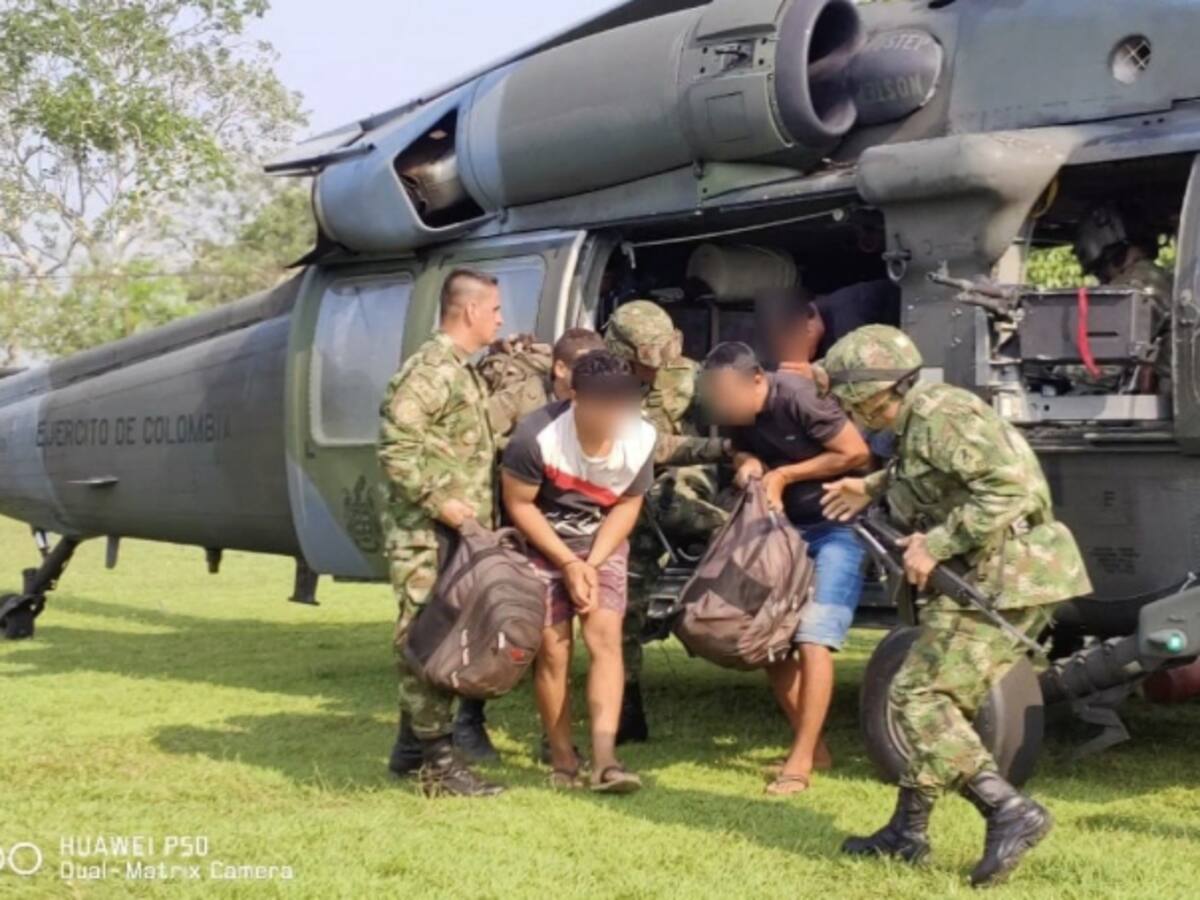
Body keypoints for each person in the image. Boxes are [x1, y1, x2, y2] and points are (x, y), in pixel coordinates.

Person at [818, 325, 1092, 886]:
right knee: (942, 702)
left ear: (868, 391)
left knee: (919, 696)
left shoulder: (942, 413)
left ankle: (1006, 810)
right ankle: (907, 830)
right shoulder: (923, 419)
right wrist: (869, 489)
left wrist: (934, 544)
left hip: (1007, 574)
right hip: (992, 573)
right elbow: (931, 471)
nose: (841, 406)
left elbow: (1006, 486)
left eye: (843, 393)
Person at [700, 341, 871, 796]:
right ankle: (814, 747)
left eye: (728, 395)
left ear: (757, 380)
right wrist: (747, 462)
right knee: (770, 640)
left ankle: (799, 761)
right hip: (781, 535)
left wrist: (784, 475)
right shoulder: (737, 413)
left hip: (836, 528)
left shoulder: (797, 397)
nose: (722, 406)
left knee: (815, 638)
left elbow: (855, 453)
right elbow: (738, 450)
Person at [501, 350, 656, 793]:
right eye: (602, 402)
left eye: (620, 402)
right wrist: (567, 562)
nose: (613, 413)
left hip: (602, 543)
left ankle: (606, 761)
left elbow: (628, 504)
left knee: (605, 637)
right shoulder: (537, 437)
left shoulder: (640, 437)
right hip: (542, 542)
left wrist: (590, 563)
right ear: (575, 396)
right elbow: (518, 505)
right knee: (553, 649)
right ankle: (563, 756)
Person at [377, 268, 506, 798]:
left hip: (456, 534)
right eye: (496, 310)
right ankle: (438, 762)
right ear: (471, 311)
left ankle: (412, 747)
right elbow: (395, 448)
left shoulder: (462, 371)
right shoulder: (431, 371)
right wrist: (441, 504)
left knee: (448, 634)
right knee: (426, 638)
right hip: (426, 534)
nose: (500, 319)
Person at [454, 327, 608, 762]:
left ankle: (554, 739)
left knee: (559, 641)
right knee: (494, 622)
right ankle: (468, 720)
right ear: (561, 369)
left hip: (567, 529)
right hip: (514, 524)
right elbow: (473, 441)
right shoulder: (520, 399)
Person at [604, 300, 732, 743]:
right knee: (624, 605)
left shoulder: (689, 377)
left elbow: (728, 413)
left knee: (676, 500)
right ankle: (626, 705)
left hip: (676, 483)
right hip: (621, 498)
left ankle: (729, 542)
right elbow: (638, 444)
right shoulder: (599, 383)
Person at [756, 281, 901, 377]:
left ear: (808, 328)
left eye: (793, 346)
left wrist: (817, 377)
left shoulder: (847, 321)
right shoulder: (810, 318)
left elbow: (871, 377)